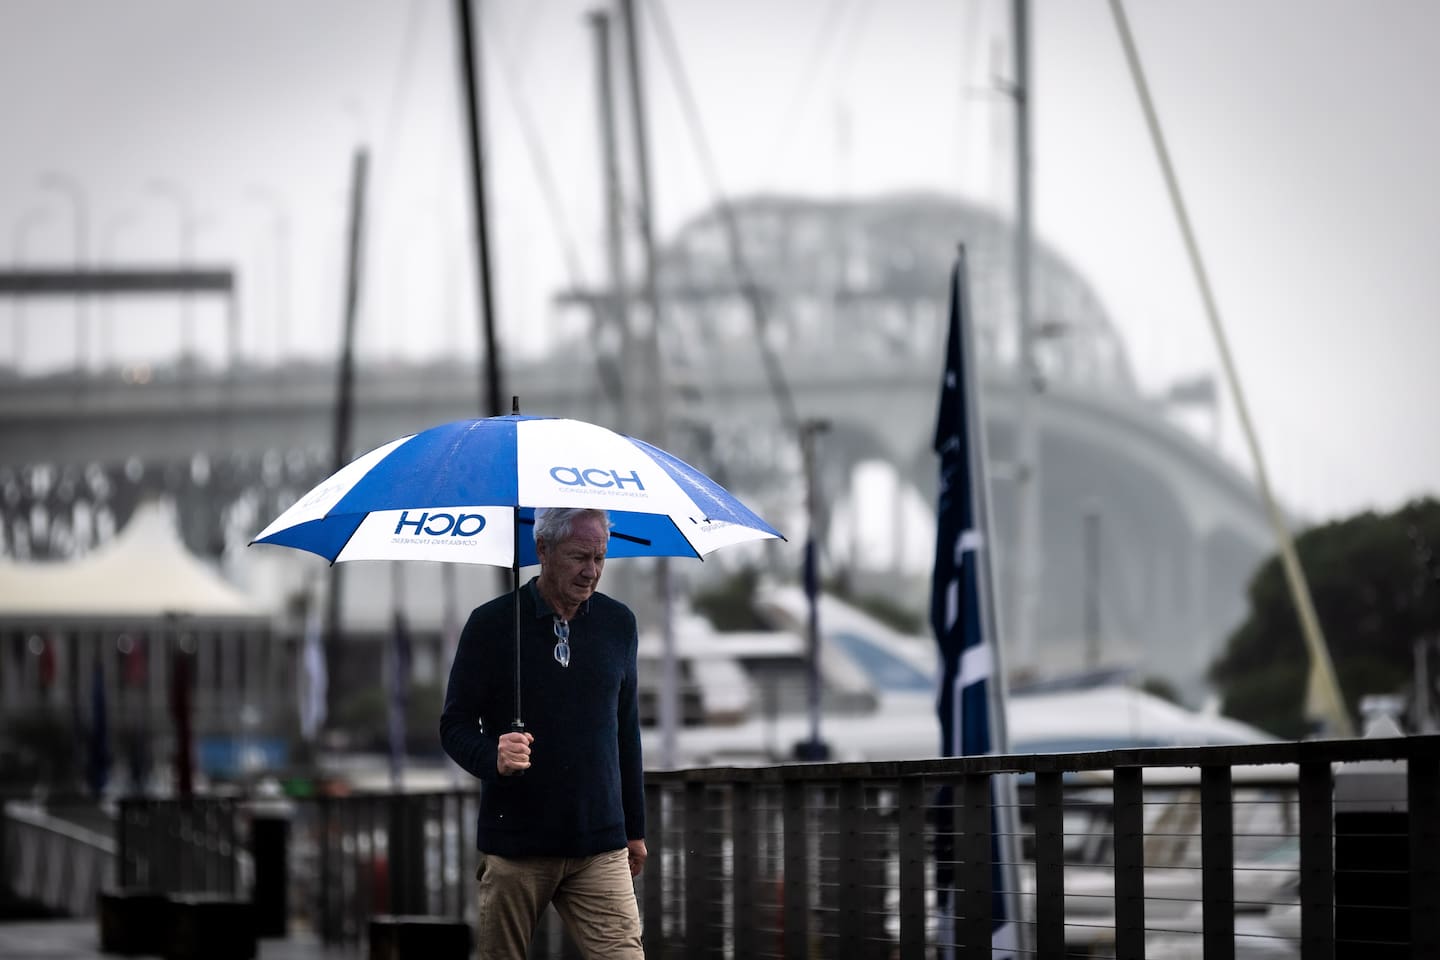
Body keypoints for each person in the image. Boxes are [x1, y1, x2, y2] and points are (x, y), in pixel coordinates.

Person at [440, 506, 647, 958]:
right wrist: (493, 756)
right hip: (516, 845)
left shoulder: (619, 624)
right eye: (579, 557)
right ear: (543, 550)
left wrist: (635, 828)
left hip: (600, 844)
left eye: (600, 557)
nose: (591, 571)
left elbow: (626, 732)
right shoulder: (492, 624)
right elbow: (454, 726)